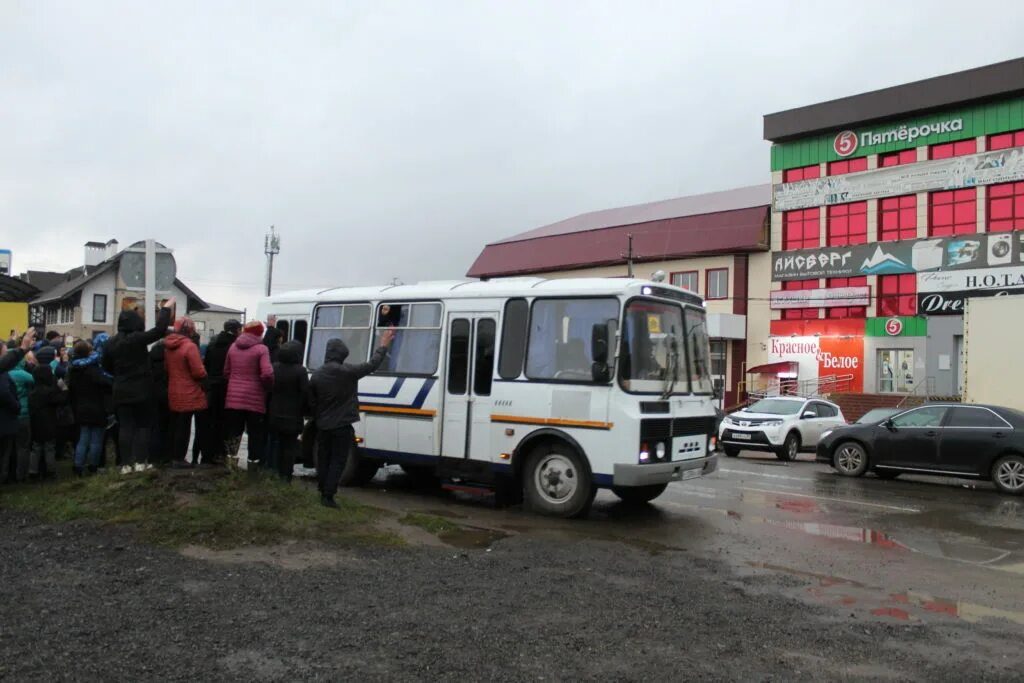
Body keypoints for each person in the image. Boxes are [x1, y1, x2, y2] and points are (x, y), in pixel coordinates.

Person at [309, 331, 393, 508]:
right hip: (342, 425)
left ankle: (322, 487)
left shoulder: (316, 375)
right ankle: (328, 496)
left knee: (324, 458)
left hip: (322, 425)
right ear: (342, 355)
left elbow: (311, 400)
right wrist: (383, 345)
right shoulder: (348, 372)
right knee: (338, 460)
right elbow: (372, 364)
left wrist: (317, 416)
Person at [102, 298, 175, 471]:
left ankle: (126, 464)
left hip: (120, 389)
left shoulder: (109, 343)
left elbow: (106, 367)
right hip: (142, 389)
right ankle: (141, 462)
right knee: (143, 425)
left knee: (125, 427)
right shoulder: (138, 339)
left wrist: (120, 377)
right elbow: (159, 330)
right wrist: (165, 309)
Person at [224, 320, 273, 470]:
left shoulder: (233, 347)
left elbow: (226, 371)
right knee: (255, 434)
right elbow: (267, 373)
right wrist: (267, 387)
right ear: (260, 333)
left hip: (233, 399)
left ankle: (231, 465)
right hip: (255, 399)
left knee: (234, 432)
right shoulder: (261, 349)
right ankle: (253, 467)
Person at [164, 317, 208, 467]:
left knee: (174, 424)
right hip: (189, 391)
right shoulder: (190, 347)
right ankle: (179, 458)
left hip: (173, 389)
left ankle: (171, 455)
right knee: (184, 426)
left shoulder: (168, 346)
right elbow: (198, 372)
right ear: (190, 330)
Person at [67, 340, 112, 475]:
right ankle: (93, 466)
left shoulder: (73, 369)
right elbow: (107, 383)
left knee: (83, 438)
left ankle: (78, 466)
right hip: (96, 407)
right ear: (88, 352)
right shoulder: (93, 369)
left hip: (81, 407)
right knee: (96, 440)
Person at [267, 340, 308, 482]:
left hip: (274, 414)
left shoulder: (274, 368)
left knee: (275, 445)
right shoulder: (300, 371)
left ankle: (273, 473)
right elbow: (304, 394)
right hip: (293, 416)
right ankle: (286, 477)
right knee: (289, 448)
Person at [202, 319, 240, 465]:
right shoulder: (234, 346)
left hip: (211, 387)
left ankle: (207, 455)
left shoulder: (213, 343)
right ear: (236, 330)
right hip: (226, 387)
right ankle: (222, 454)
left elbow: (206, 365)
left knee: (211, 422)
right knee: (225, 423)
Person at [28, 363, 67, 479]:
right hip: (49, 422)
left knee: (36, 447)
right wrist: (64, 389)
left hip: (35, 422)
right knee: (49, 447)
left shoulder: (32, 393)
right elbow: (62, 400)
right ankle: (50, 471)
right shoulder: (49, 392)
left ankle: (33, 471)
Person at [9, 352, 35, 483]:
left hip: (8, 414)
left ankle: (8, 474)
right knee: (23, 446)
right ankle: (21, 474)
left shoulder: (5, 373)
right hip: (23, 413)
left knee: (8, 447)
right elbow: (35, 380)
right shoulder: (23, 375)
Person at [0, 346, 22, 484]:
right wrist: (16, 406)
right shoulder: (2, 373)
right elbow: (3, 393)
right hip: (4, 420)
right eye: (6, 351)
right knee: (3, 455)